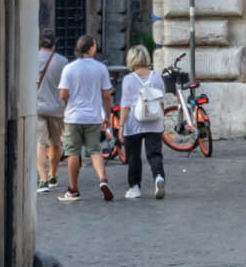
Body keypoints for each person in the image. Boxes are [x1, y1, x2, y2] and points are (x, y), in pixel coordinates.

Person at [56, 35, 116, 202]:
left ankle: (73, 189)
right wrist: (107, 116)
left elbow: (62, 94)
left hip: (73, 117)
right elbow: (106, 95)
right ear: (91, 48)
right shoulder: (101, 68)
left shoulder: (69, 68)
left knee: (73, 152)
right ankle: (102, 179)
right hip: (93, 117)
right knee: (95, 150)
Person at [119, 47, 168, 200]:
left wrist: (120, 126)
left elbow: (125, 105)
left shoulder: (128, 79)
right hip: (154, 121)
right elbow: (162, 102)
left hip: (134, 123)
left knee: (133, 156)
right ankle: (158, 177)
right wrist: (162, 121)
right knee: (155, 154)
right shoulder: (157, 77)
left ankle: (135, 188)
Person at [33, 31, 68, 192]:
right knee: (55, 143)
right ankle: (53, 174)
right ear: (54, 45)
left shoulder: (32, 58)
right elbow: (66, 87)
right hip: (57, 108)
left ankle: (42, 179)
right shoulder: (62, 61)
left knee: (40, 143)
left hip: (37, 107)